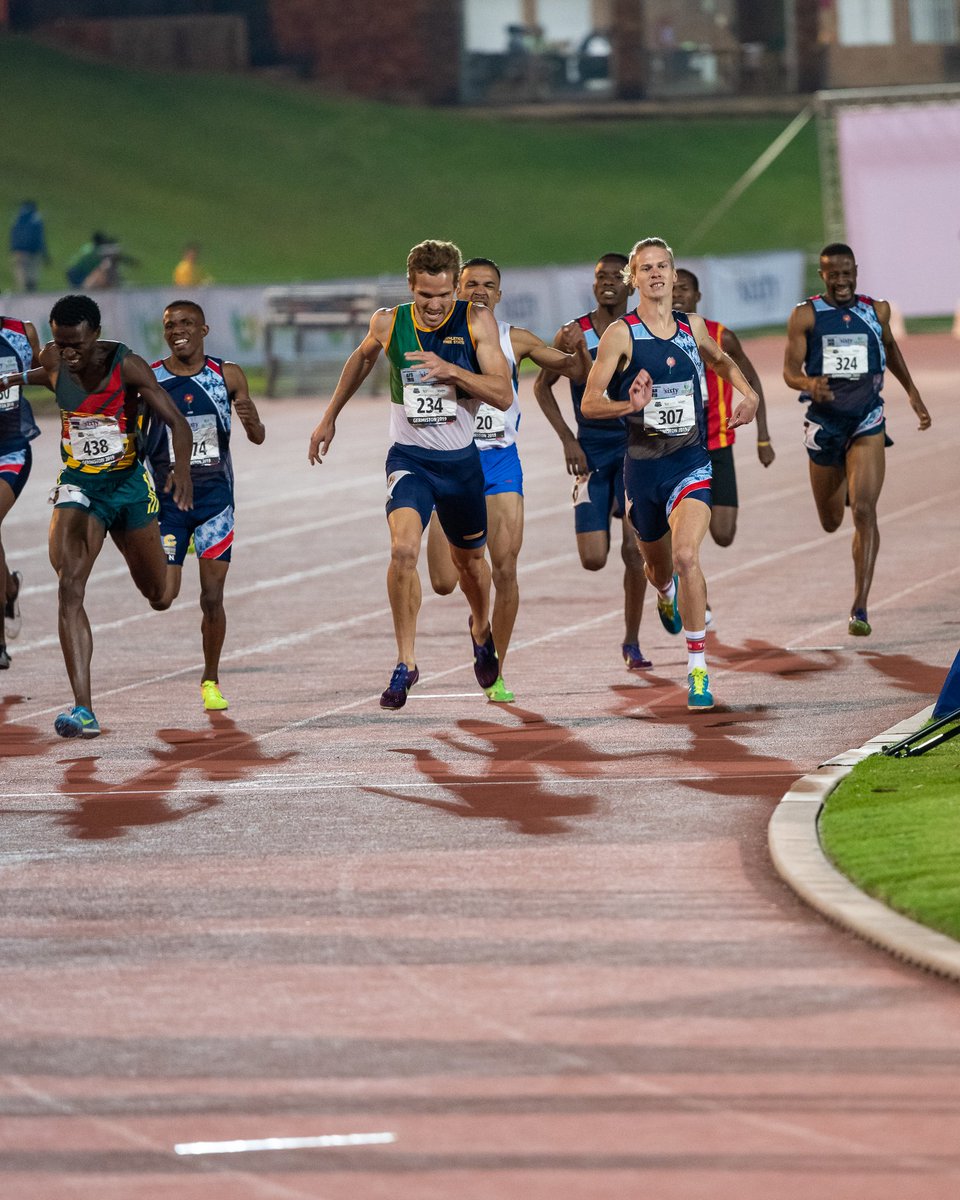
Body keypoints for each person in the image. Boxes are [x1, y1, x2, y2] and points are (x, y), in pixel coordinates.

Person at [308, 239, 512, 710]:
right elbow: (362, 358)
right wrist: (329, 416)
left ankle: (481, 630)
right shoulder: (389, 322)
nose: (434, 306)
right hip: (410, 459)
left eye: (443, 295)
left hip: (460, 465)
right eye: (424, 296)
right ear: (410, 287)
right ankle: (406, 661)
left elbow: (502, 394)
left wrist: (452, 372)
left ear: (455, 288)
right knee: (402, 550)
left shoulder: (476, 321)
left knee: (471, 567)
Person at [580, 237, 759, 711]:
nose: (656, 274)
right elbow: (590, 402)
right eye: (646, 268)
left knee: (686, 556)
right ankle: (664, 593)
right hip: (643, 470)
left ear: (674, 275)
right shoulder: (621, 334)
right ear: (633, 278)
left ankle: (698, 669)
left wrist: (749, 394)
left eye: (663, 266)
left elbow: (719, 359)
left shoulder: (692, 326)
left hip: (689, 462)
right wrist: (628, 405)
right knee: (659, 569)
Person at [22, 294, 194, 738]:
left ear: (95, 335)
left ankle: (176, 542)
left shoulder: (127, 366)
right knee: (69, 586)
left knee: (159, 596)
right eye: (61, 343)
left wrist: (181, 471)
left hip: (129, 488)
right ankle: (84, 709)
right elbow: (45, 374)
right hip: (80, 486)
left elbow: (178, 423)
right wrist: (11, 379)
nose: (68, 353)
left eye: (76, 345)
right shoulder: (54, 358)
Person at [424, 256, 588, 703]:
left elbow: (576, 371)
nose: (479, 290)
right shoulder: (432, 338)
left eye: (488, 285)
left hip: (499, 463)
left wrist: (577, 348)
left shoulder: (515, 339)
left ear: (499, 294)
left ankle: (495, 667)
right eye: (471, 283)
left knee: (506, 569)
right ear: (457, 290)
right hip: (449, 463)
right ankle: (479, 619)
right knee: (442, 581)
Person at [783, 242, 931, 637]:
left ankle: (860, 605)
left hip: (867, 419)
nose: (841, 280)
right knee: (831, 521)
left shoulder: (876, 311)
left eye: (847, 273)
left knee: (864, 510)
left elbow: (891, 349)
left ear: (856, 272)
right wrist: (807, 383)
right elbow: (789, 371)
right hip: (824, 424)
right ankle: (847, 477)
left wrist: (913, 393)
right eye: (833, 274)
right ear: (823, 275)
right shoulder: (806, 315)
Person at [533, 253, 653, 672]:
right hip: (590, 451)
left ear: (630, 283)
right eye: (600, 277)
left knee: (633, 550)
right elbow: (542, 387)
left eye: (616, 276)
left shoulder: (643, 330)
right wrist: (568, 439)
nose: (607, 283)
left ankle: (632, 641)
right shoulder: (572, 332)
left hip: (635, 447)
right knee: (593, 558)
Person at [144, 300, 264, 711]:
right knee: (162, 597)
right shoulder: (151, 378)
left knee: (212, 597)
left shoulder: (226, 375)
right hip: (169, 504)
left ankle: (210, 679)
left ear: (204, 330)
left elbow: (258, 436)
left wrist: (252, 419)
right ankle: (174, 548)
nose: (178, 331)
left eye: (186, 323)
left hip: (214, 502)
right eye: (170, 325)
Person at [672, 267, 775, 627]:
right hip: (677, 448)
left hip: (718, 442)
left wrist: (763, 436)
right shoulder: (655, 336)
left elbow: (751, 380)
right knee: (688, 530)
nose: (678, 295)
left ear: (698, 297)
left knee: (724, 533)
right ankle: (690, 585)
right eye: (673, 289)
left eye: (685, 289)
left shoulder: (720, 336)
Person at [0, 313, 42, 668]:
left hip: (10, 451)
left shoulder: (21, 333)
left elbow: (51, 376)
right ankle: (9, 589)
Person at [9, 201, 49, 293]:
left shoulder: (17, 218)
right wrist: (45, 254)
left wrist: (13, 249)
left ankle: (22, 292)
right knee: (32, 273)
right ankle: (31, 293)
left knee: (20, 272)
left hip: (18, 251)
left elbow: (13, 236)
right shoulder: (36, 219)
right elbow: (40, 238)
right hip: (33, 251)